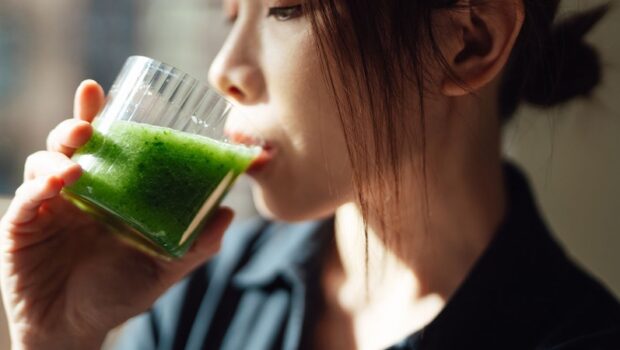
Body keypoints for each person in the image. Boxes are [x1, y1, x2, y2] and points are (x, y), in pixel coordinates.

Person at [1, 0, 619, 349]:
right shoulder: (202, 293)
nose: (225, 69)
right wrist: (60, 337)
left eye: (286, 9)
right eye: (229, 15)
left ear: (467, 43)